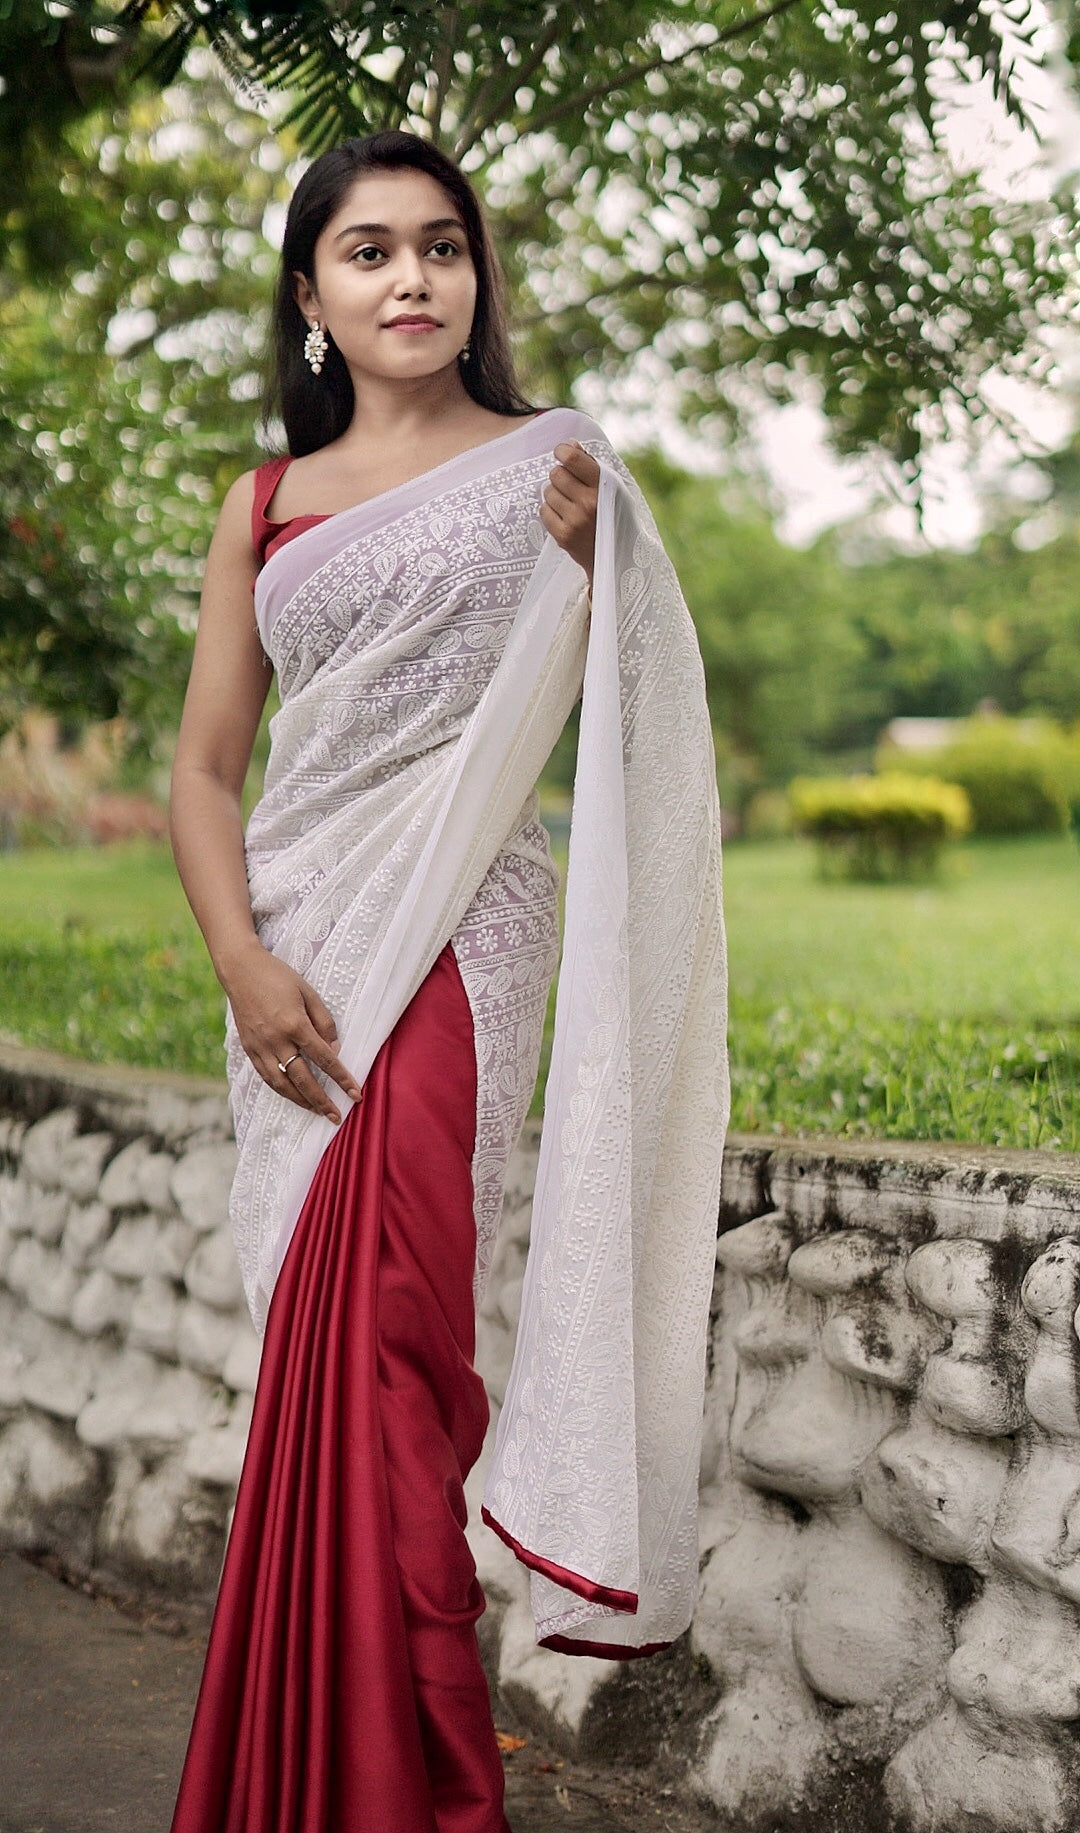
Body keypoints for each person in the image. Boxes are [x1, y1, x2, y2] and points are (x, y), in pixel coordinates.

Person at [167, 128, 728, 1833]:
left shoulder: (553, 468)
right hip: (299, 952)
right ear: (311, 293)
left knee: (399, 1359)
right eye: (368, 252)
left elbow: (621, 687)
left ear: (477, 280)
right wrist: (246, 965)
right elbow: (202, 772)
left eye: (441, 248)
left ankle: (422, 1790)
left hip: (461, 948)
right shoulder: (262, 502)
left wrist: (594, 559)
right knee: (324, 1372)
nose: (411, 278)